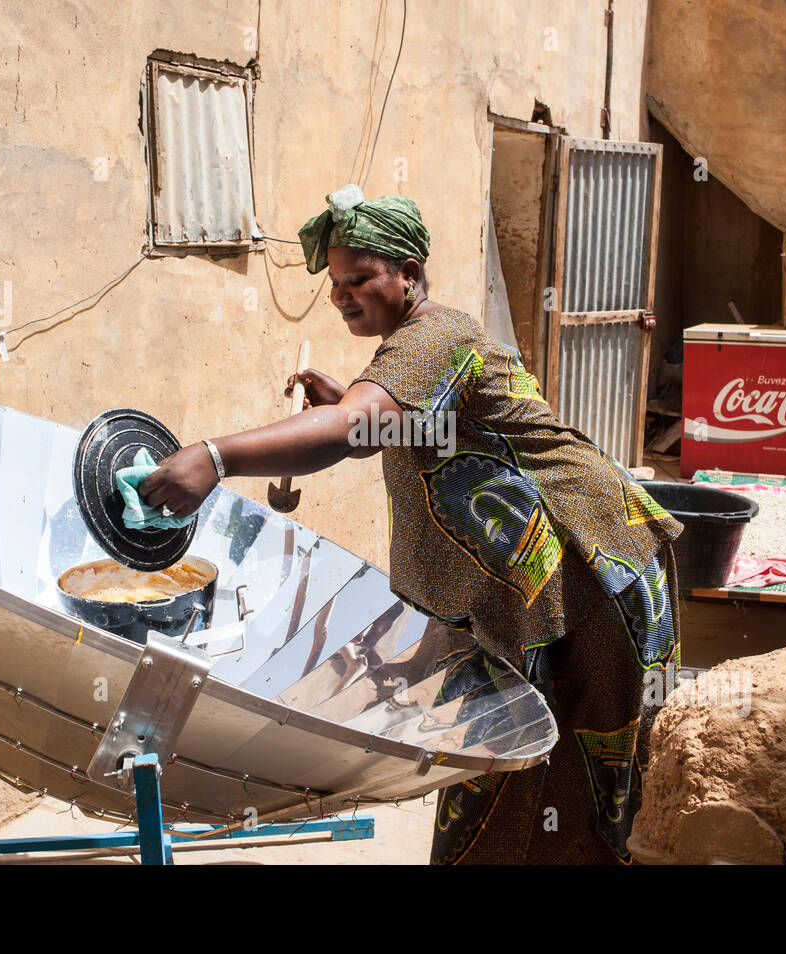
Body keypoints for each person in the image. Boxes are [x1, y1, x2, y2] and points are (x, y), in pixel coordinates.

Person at [140, 184, 683, 864]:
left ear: (410, 275)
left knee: (574, 768)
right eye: (336, 284)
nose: (342, 296)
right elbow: (406, 427)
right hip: (548, 587)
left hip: (594, 572)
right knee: (518, 766)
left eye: (359, 279)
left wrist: (215, 458)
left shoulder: (430, 337)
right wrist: (348, 403)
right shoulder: (414, 348)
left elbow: (353, 428)